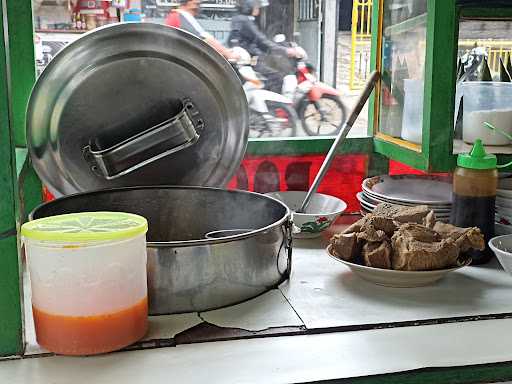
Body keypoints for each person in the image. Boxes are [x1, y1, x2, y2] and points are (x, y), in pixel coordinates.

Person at [228, 0, 299, 92]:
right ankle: (272, 105)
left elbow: (259, 42)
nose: (258, 9)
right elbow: (261, 41)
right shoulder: (244, 21)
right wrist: (285, 51)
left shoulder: (239, 20)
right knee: (276, 78)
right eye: (256, 6)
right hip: (251, 61)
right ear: (249, 6)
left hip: (248, 60)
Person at [165, 0, 238, 61]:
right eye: (196, 3)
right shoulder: (183, 16)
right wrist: (228, 54)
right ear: (189, 3)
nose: (199, 4)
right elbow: (205, 39)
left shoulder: (174, 15)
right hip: (185, 59)